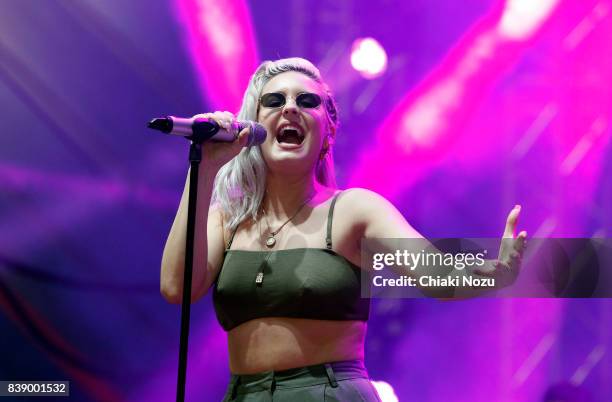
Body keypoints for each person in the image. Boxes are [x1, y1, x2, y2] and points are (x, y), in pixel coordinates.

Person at [160, 57, 526, 401]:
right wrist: (204, 167)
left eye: (306, 101)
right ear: (253, 128)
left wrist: (496, 273)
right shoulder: (229, 217)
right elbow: (177, 287)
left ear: (328, 131)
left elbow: (436, 275)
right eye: (274, 100)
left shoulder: (353, 210)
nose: (290, 108)